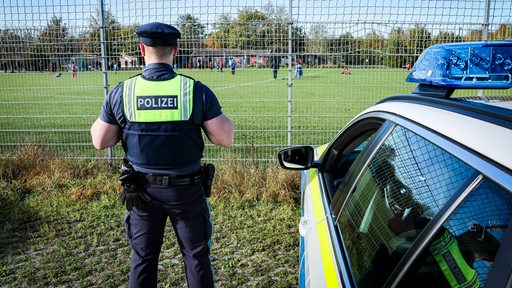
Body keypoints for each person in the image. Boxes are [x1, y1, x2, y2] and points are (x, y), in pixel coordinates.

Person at [90, 22, 234, 288]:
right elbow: (225, 138)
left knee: (143, 258)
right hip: (186, 191)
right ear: (175, 50)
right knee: (197, 257)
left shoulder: (124, 92)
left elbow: (100, 141)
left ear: (142, 49)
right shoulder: (194, 91)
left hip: (141, 192)